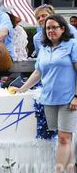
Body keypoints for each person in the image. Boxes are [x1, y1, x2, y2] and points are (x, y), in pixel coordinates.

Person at [15, 14, 77, 173]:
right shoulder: (43, 48)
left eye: (54, 27)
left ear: (63, 28)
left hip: (68, 99)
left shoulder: (72, 44)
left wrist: (76, 96)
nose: (50, 30)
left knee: (63, 138)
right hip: (49, 99)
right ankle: (70, 168)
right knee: (64, 138)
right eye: (48, 28)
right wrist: (22, 89)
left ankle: (57, 170)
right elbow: (37, 73)